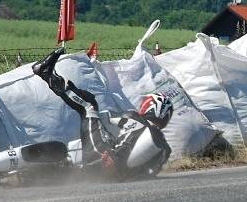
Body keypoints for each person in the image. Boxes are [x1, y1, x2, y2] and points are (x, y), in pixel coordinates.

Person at [31, 47, 172, 178]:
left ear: (152, 106)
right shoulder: (165, 150)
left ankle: (46, 73)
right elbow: (151, 173)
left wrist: (114, 157)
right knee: (92, 108)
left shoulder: (137, 121)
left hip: (103, 159)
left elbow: (118, 132)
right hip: (120, 175)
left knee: (89, 106)